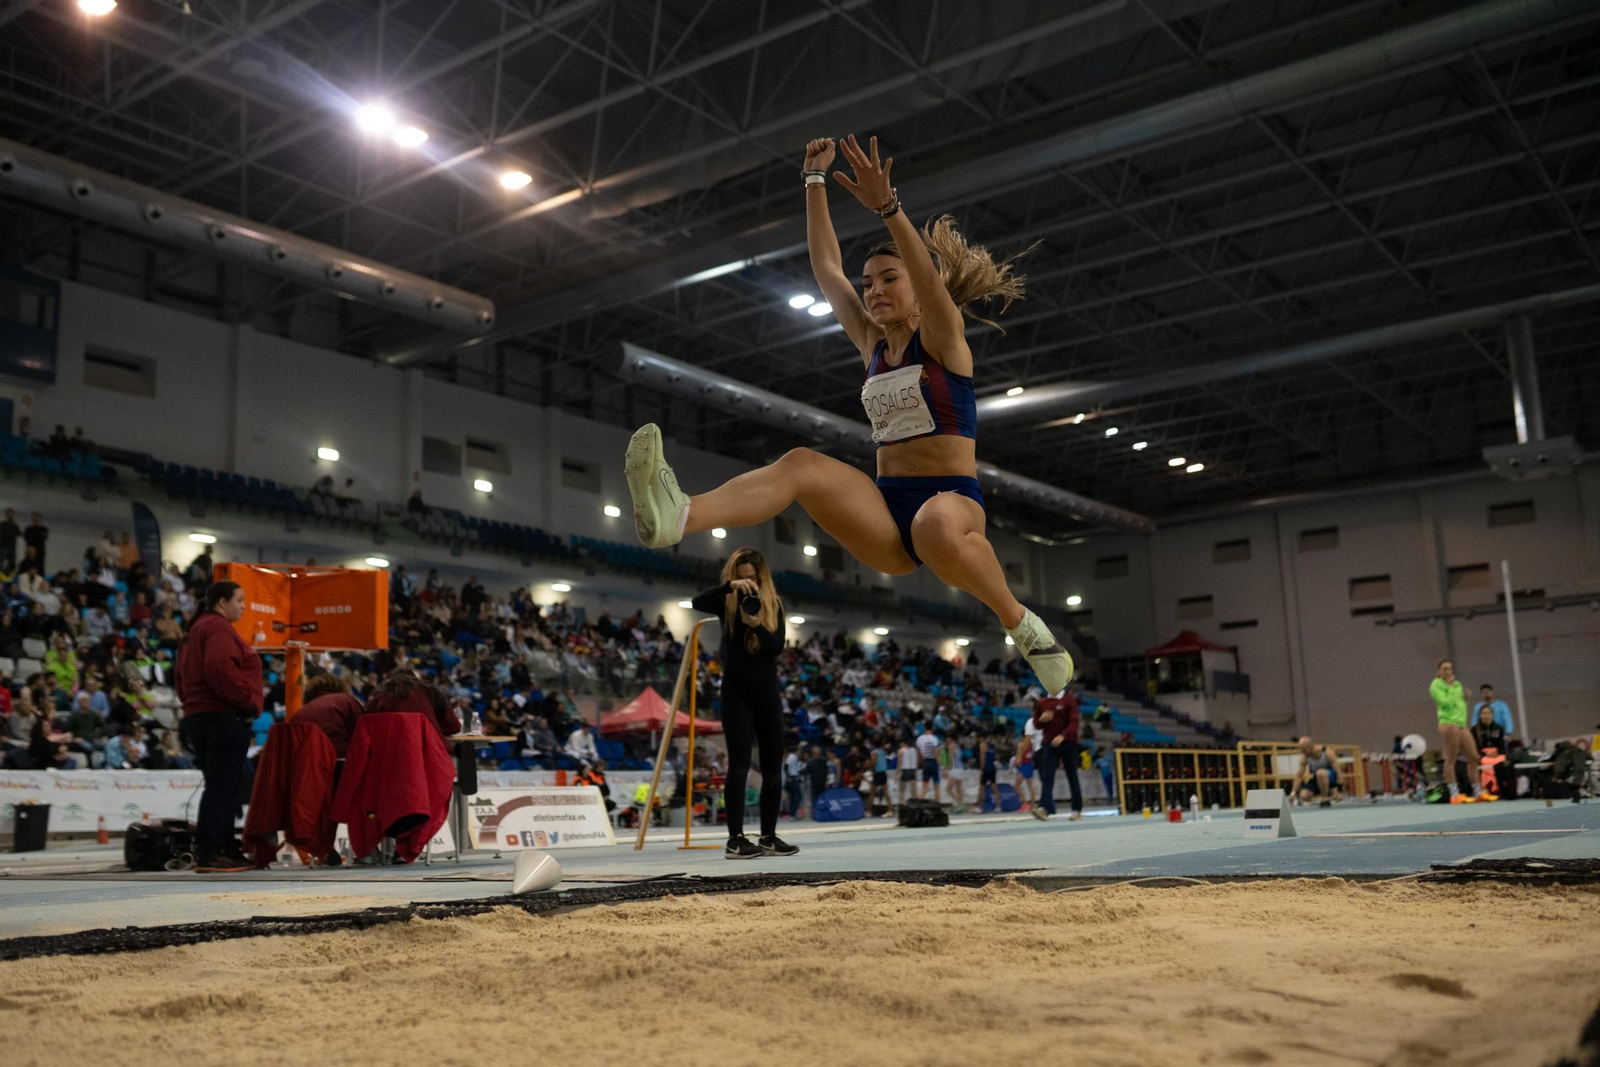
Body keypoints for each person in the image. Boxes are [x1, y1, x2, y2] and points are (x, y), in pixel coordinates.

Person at [622, 134, 1073, 695]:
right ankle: (679, 516)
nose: (875, 291)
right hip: (886, 514)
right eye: (869, 284)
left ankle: (1021, 625)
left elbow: (930, 283)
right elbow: (825, 267)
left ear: (915, 285)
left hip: (953, 504)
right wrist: (813, 183)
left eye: (890, 279)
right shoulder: (871, 344)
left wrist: (888, 209)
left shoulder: (944, 340)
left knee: (934, 525)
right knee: (800, 464)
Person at [690, 548, 797, 860]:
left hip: (766, 690)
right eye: (742, 577)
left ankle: (768, 835)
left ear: (761, 577)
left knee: (772, 766)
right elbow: (697, 602)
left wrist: (756, 625)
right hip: (736, 690)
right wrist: (729, 588)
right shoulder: (727, 602)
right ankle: (735, 838)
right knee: (738, 765)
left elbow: (776, 647)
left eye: (752, 577)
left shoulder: (774, 604)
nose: (748, 583)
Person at [176, 580, 262, 873]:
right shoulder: (217, 628)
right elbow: (220, 669)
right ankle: (212, 852)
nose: (243, 605)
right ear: (223, 602)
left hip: (198, 715)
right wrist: (247, 704)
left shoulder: (195, 629)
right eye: (239, 599)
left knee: (219, 786)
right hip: (222, 715)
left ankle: (223, 849)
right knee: (223, 787)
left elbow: (180, 678)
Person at [1429, 659, 1481, 803]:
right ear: (1439, 670)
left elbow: (1460, 704)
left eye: (1450, 669)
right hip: (1448, 722)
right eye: (1444, 669)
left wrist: (1466, 698)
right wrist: (1451, 687)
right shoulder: (1436, 685)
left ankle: (1477, 792)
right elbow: (1445, 703)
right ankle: (1454, 793)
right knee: (1451, 758)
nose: (1448, 672)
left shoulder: (1457, 684)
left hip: (1460, 723)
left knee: (1473, 757)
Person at [1032, 687, 1082, 821]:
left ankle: (1076, 809)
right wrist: (1041, 720)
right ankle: (1044, 808)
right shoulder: (1042, 702)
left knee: (1072, 775)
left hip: (1068, 743)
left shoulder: (1069, 701)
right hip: (1049, 744)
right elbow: (1036, 724)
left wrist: (1063, 735)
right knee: (1047, 776)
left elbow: (1074, 722)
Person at [1292, 736, 1343, 806]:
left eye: (1303, 750)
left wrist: (1340, 791)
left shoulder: (1327, 753)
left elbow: (1338, 772)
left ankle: (1325, 798)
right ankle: (1324, 796)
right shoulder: (1305, 757)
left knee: (1320, 773)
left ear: (1309, 747)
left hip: (1331, 778)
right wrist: (1293, 793)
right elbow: (1299, 776)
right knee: (1304, 795)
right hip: (1318, 779)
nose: (1302, 752)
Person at [915, 720, 941, 803]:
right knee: (936, 787)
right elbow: (935, 753)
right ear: (932, 728)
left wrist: (919, 764)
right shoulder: (934, 738)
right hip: (933, 763)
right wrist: (941, 765)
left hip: (925, 763)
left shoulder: (919, 739)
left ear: (924, 728)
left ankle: (918, 805)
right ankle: (938, 806)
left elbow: (919, 755)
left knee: (924, 788)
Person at [896, 733, 918, 808]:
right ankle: (915, 804)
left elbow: (900, 762)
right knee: (913, 790)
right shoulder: (914, 750)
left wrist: (897, 772)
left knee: (902, 789)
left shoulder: (901, 751)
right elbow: (916, 760)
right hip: (912, 770)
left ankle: (901, 804)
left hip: (905, 770)